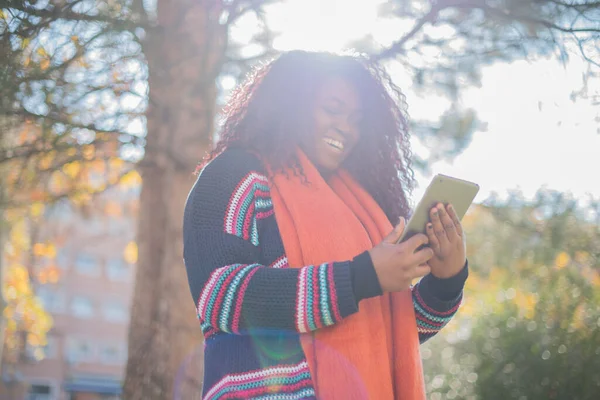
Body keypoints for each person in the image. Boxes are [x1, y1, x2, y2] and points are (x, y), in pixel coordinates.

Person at [183, 50, 469, 400]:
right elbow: (221, 297)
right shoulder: (234, 173)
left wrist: (446, 281)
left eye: (357, 119)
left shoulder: (363, 208)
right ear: (290, 106)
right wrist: (362, 276)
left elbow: (396, 331)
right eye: (332, 110)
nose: (346, 128)